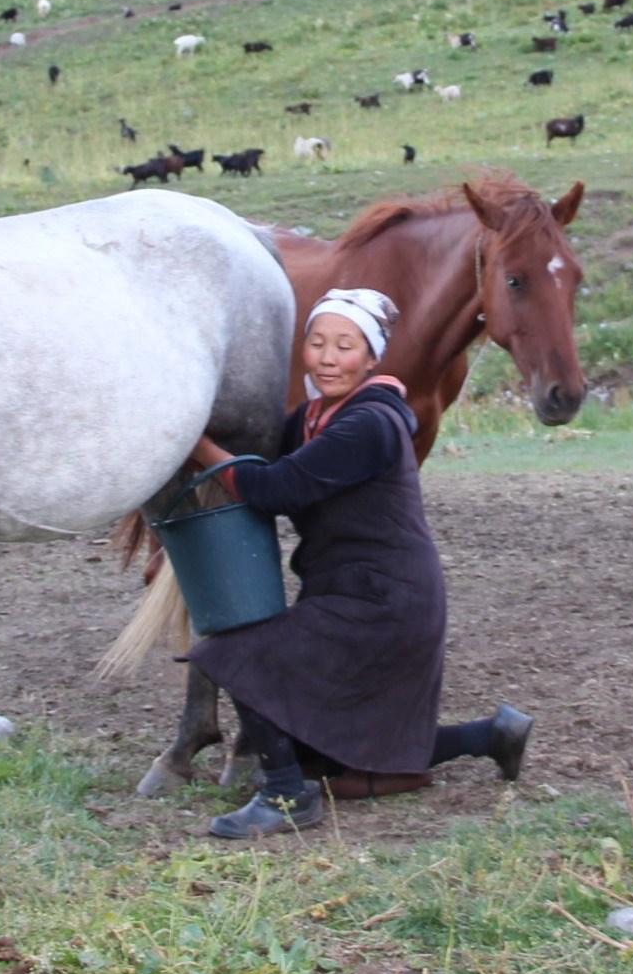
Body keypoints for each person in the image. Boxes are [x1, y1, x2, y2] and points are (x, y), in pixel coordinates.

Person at [185, 287, 532, 839]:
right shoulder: (315, 417)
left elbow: (274, 487)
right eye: (316, 342)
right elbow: (263, 454)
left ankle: (285, 797)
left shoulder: (368, 423)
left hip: (384, 598)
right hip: (356, 587)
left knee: (234, 655)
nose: (327, 357)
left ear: (371, 358)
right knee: (334, 747)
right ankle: (492, 735)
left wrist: (195, 443)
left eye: (344, 346)